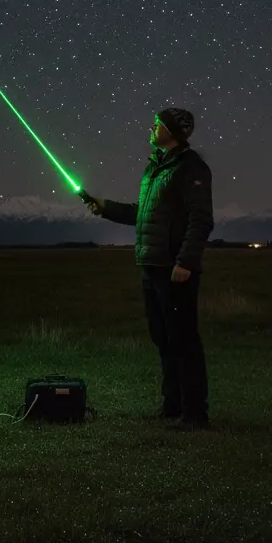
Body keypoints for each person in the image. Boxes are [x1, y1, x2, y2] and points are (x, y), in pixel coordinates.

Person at [79, 108, 214, 429]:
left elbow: (201, 219)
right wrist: (105, 207)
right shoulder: (156, 167)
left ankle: (195, 413)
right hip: (151, 265)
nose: (151, 128)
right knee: (163, 339)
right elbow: (144, 213)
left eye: (158, 124)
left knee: (183, 340)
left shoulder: (191, 167)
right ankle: (173, 405)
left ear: (173, 131)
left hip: (173, 268)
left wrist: (185, 262)